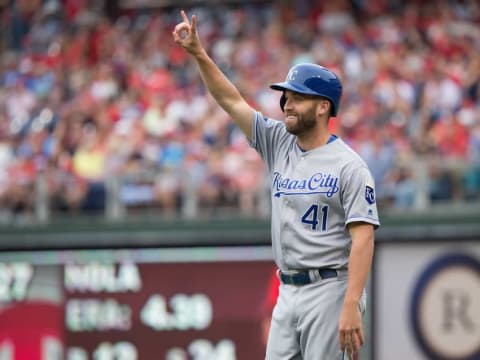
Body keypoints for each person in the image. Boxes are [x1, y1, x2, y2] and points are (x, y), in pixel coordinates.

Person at [172, 10, 379, 360]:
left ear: (323, 107)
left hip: (330, 288)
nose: (287, 103)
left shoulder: (349, 166)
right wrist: (198, 53)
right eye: (286, 96)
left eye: (297, 97)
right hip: (287, 290)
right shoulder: (278, 142)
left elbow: (363, 238)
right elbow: (231, 100)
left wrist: (351, 304)